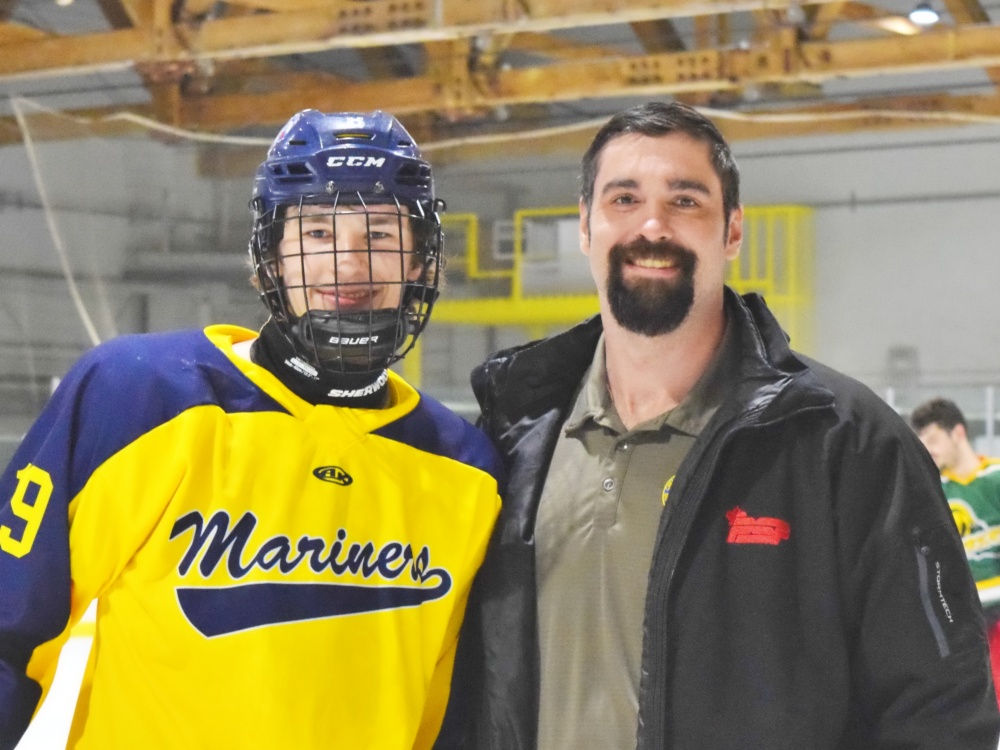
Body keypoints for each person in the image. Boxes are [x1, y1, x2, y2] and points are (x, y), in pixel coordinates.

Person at [453, 101, 999, 749]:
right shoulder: (514, 435)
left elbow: (939, 711)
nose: (652, 225)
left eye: (685, 201)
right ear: (585, 226)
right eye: (623, 199)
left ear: (732, 232)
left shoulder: (847, 443)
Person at [0, 109, 502, 749]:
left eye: (379, 234)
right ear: (270, 256)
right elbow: (9, 628)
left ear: (421, 260)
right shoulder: (136, 397)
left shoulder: (467, 470)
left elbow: (448, 717)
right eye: (318, 232)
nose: (348, 266)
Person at [912, 396, 1000, 706]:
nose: (928, 447)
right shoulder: (937, 490)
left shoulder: (995, 478)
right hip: (962, 613)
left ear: (958, 433)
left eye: (933, 438)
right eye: (922, 440)